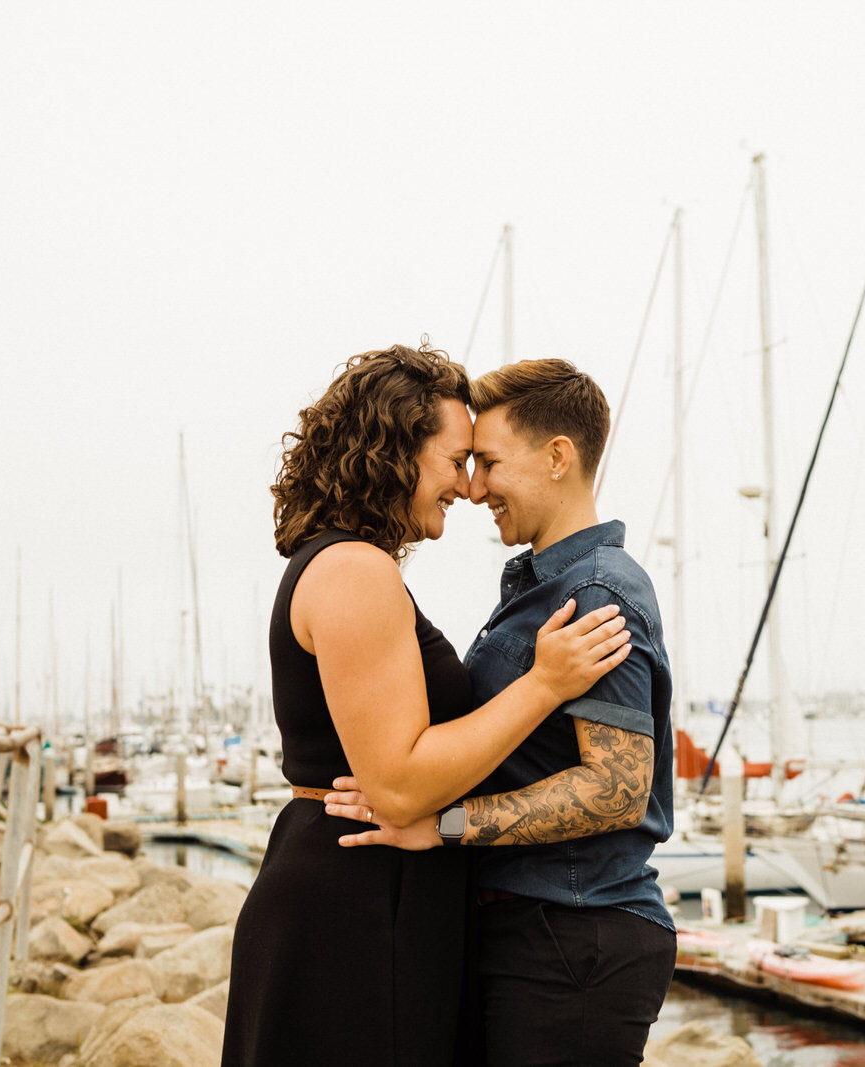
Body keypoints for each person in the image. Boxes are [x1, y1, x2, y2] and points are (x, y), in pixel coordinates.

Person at [220, 344, 633, 1067]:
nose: (467, 486)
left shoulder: (344, 562)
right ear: (397, 452)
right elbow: (400, 783)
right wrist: (544, 684)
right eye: (456, 457)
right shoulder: (354, 569)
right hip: (360, 903)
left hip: (372, 893)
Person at [326, 358, 677, 1067]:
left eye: (489, 462)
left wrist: (443, 826)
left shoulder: (599, 592)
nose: (475, 486)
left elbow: (615, 789)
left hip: (574, 930)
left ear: (558, 457)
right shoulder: (540, 587)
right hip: (539, 927)